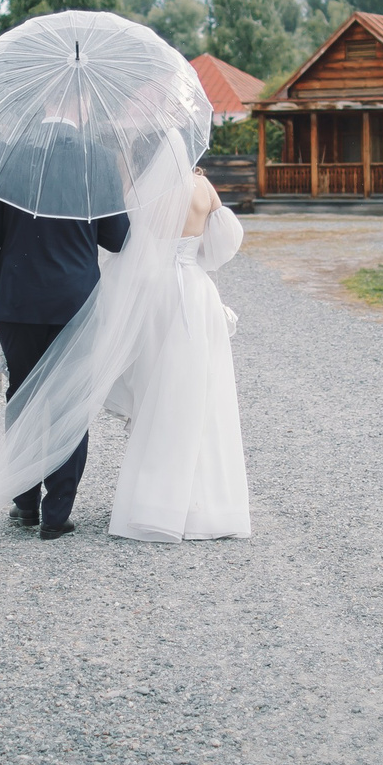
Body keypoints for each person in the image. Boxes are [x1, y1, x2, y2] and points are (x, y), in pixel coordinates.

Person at [0, 171, 129, 540]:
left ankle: (24, 503)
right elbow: (118, 238)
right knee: (69, 402)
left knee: (22, 398)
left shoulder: (6, 166)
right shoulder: (95, 166)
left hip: (17, 302)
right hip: (75, 303)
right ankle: (56, 513)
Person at [103, 169, 250, 542]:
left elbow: (125, 244)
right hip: (194, 294)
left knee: (155, 393)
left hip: (154, 294)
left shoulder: (140, 188)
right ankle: (203, 504)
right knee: (200, 393)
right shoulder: (202, 186)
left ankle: (153, 500)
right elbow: (225, 242)